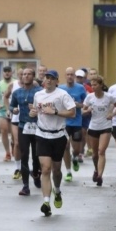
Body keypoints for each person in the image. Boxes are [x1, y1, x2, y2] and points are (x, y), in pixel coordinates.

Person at [29, 70, 76, 216]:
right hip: (42, 134)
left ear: (56, 81)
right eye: (46, 78)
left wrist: (55, 112)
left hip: (59, 135)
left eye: (51, 78)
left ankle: (57, 190)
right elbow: (35, 111)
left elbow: (72, 112)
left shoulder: (62, 94)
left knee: (56, 170)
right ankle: (46, 202)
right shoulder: (38, 95)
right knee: (45, 169)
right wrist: (33, 113)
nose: (48, 80)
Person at [9, 67, 42, 196]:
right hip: (23, 126)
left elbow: (44, 106)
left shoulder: (39, 92)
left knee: (36, 155)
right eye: (24, 74)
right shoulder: (17, 92)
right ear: (21, 77)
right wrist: (14, 110)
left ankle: (36, 174)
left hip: (37, 126)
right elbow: (11, 106)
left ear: (33, 76)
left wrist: (36, 108)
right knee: (24, 155)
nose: (26, 76)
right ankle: (25, 186)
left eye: (29, 74)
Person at [83, 75, 116, 187]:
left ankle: (100, 176)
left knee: (101, 151)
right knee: (94, 155)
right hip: (93, 127)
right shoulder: (89, 97)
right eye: (91, 85)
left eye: (95, 85)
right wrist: (87, 110)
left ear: (101, 85)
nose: (93, 87)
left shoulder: (109, 97)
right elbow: (82, 111)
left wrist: (112, 114)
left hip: (106, 126)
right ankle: (96, 169)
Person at [59, 67, 87, 183]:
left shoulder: (80, 88)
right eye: (68, 74)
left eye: (72, 74)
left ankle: (75, 157)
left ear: (74, 76)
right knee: (65, 146)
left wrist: (78, 105)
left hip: (76, 122)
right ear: (65, 76)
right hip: (64, 122)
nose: (70, 76)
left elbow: (86, 104)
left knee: (76, 149)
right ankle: (69, 172)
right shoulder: (60, 88)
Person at [0, 65, 15, 162]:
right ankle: (7, 152)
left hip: (14, 110)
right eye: (5, 71)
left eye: (8, 71)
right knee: (4, 130)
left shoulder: (16, 83)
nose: (7, 73)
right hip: (2, 110)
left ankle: (14, 144)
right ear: (2, 73)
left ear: (11, 72)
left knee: (14, 133)